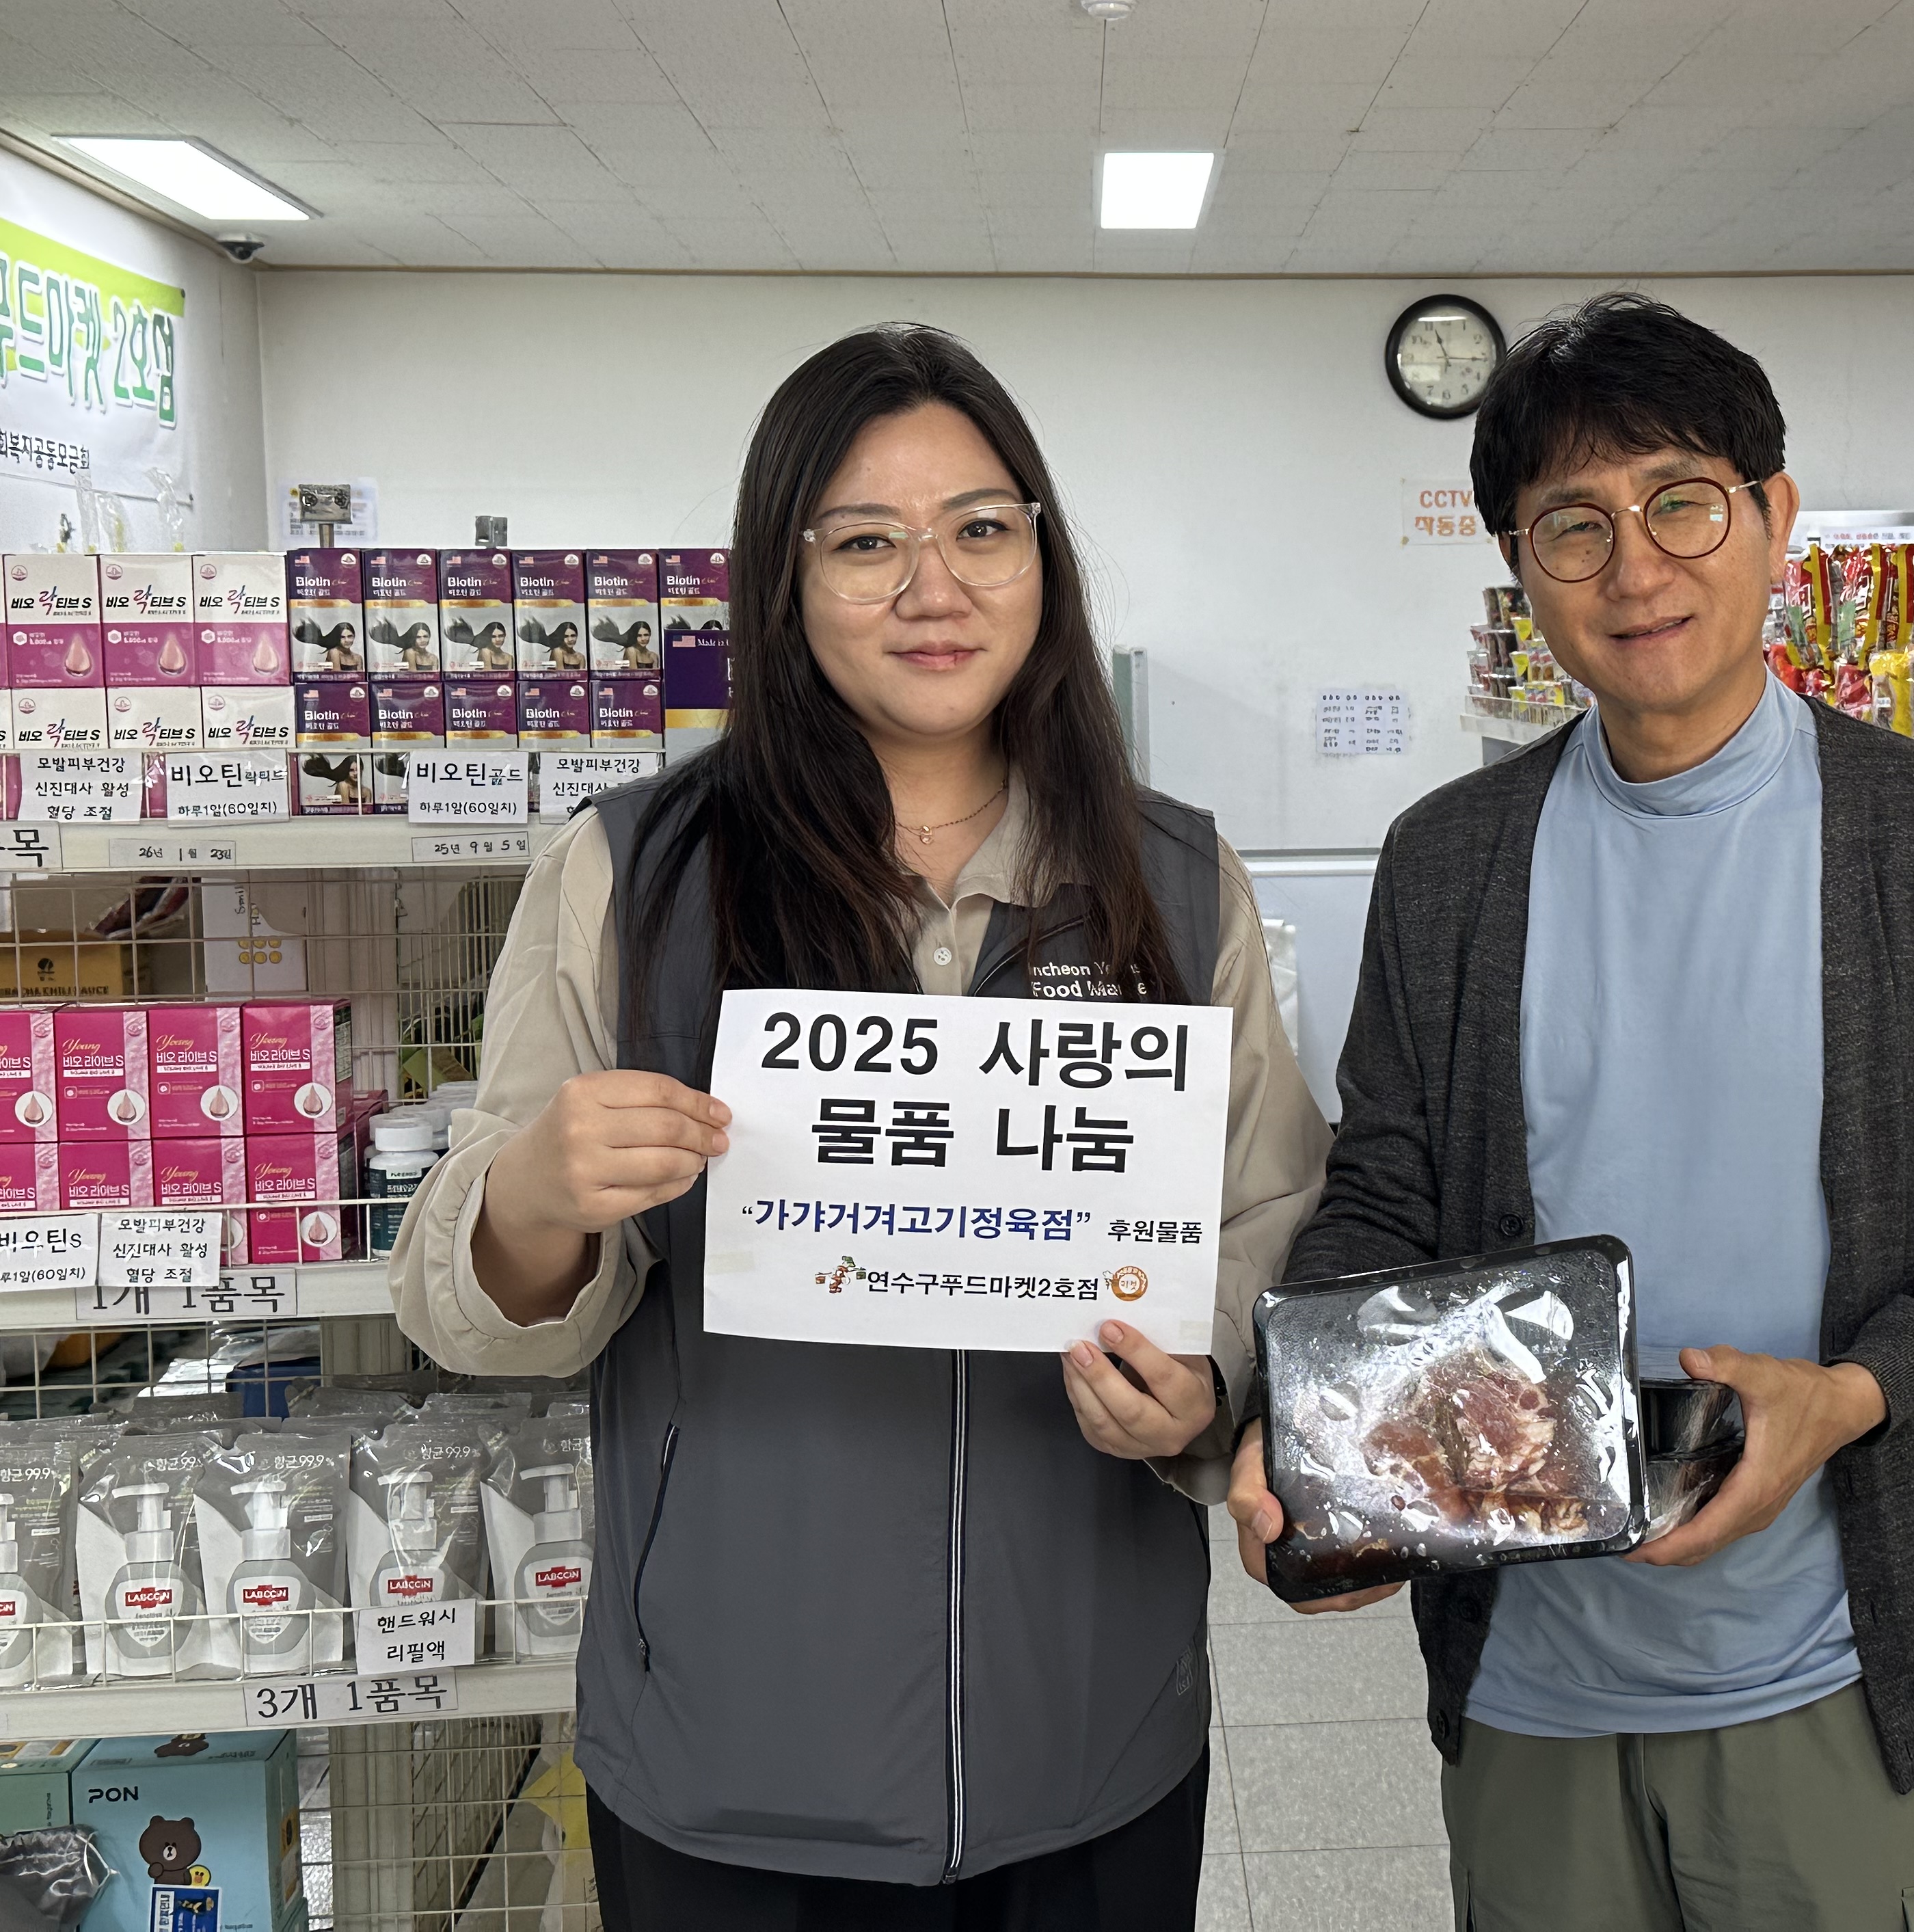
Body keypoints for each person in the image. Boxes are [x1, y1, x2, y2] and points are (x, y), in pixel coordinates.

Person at [392, 323, 1330, 1929]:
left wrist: (1204, 1385)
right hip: (735, 1747)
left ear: (1043, 557)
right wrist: (539, 1192)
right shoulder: (636, 872)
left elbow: (1268, 1224)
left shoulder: (1173, 878)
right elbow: (477, 1309)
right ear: (783, 581)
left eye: (980, 528)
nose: (933, 586)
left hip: (1090, 1730)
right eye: (864, 543)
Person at [1227, 292, 1914, 1931]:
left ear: (1772, 517)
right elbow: (1384, 1200)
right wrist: (1318, 1438)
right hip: (1531, 1683)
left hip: (1843, 1667)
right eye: (1573, 527)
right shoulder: (1451, 862)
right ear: (1520, 567)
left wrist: (1853, 1395)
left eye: (1681, 502)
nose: (1635, 568)